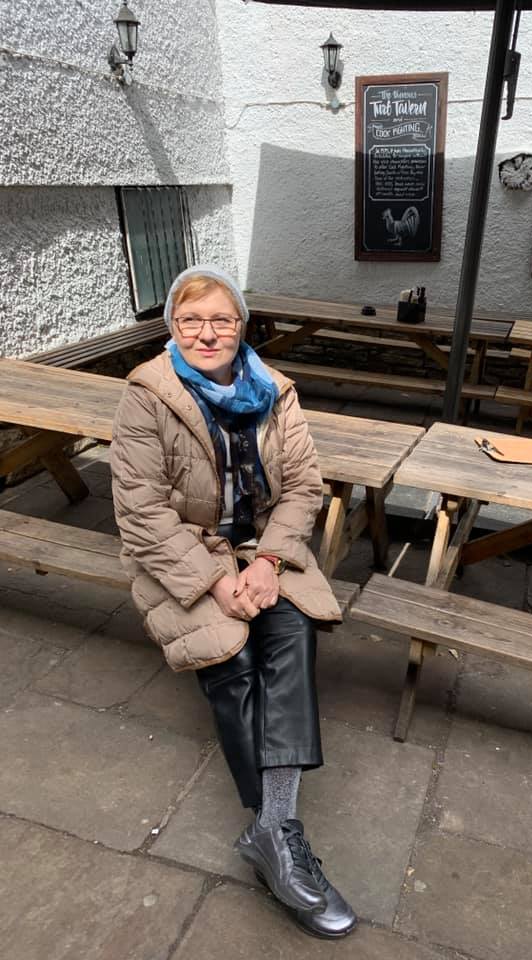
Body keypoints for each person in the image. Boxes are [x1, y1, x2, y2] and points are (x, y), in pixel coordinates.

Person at [110, 264, 357, 939]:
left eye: (221, 319)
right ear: (172, 327)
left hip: (262, 549)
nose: (206, 333)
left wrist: (270, 563)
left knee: (291, 633)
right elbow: (142, 514)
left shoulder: (274, 390)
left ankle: (272, 832)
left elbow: (303, 487)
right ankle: (280, 835)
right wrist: (218, 582)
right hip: (184, 555)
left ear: (242, 325)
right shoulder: (147, 395)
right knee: (231, 659)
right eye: (190, 320)